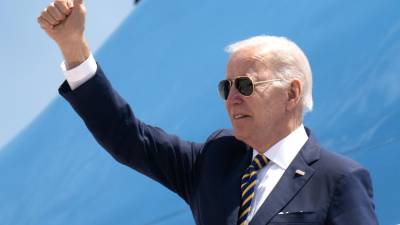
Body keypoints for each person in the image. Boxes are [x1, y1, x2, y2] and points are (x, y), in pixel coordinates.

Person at [37, 0, 379, 224]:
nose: (231, 98)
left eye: (244, 85)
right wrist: (73, 48)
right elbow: (128, 136)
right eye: (225, 88)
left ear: (292, 93)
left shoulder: (339, 179)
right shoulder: (216, 161)